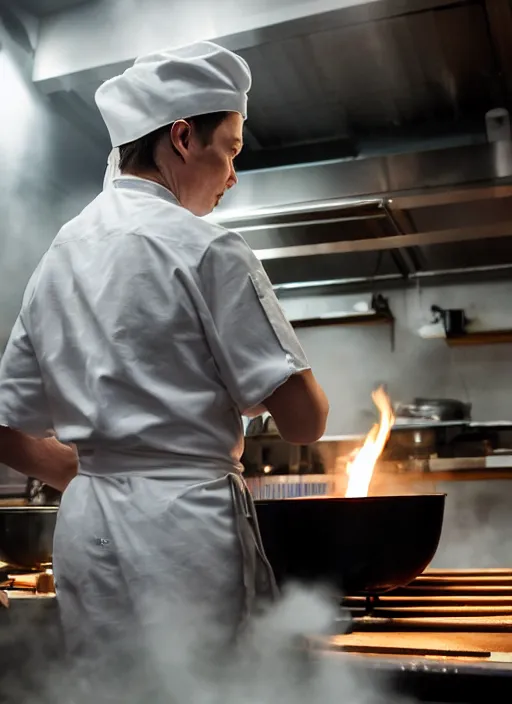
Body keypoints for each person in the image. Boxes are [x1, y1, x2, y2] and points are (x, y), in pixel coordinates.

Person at [0, 41, 328, 687]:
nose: (232, 176)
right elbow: (306, 421)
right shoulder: (209, 249)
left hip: (88, 521)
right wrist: (241, 387)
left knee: (109, 691)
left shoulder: (61, 254)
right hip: (184, 523)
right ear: (182, 137)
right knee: (206, 690)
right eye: (230, 149)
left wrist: (79, 470)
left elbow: (6, 423)